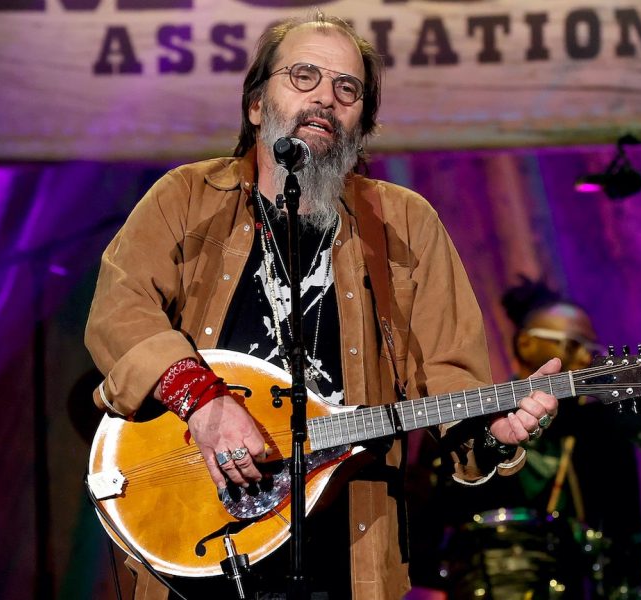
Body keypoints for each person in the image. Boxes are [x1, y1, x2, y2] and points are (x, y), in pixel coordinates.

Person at [85, 13, 560, 600]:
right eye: (303, 76)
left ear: (362, 124)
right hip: (195, 533)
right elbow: (119, 309)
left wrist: (491, 434)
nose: (324, 100)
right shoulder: (185, 198)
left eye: (347, 88)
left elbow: (446, 377)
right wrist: (204, 403)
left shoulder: (407, 223)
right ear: (257, 105)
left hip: (346, 548)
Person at [433, 277, 641, 599]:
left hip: (577, 580)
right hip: (487, 576)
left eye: (592, 349)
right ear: (527, 344)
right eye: (573, 345)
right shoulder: (478, 413)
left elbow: (624, 524)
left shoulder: (601, 429)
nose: (587, 359)